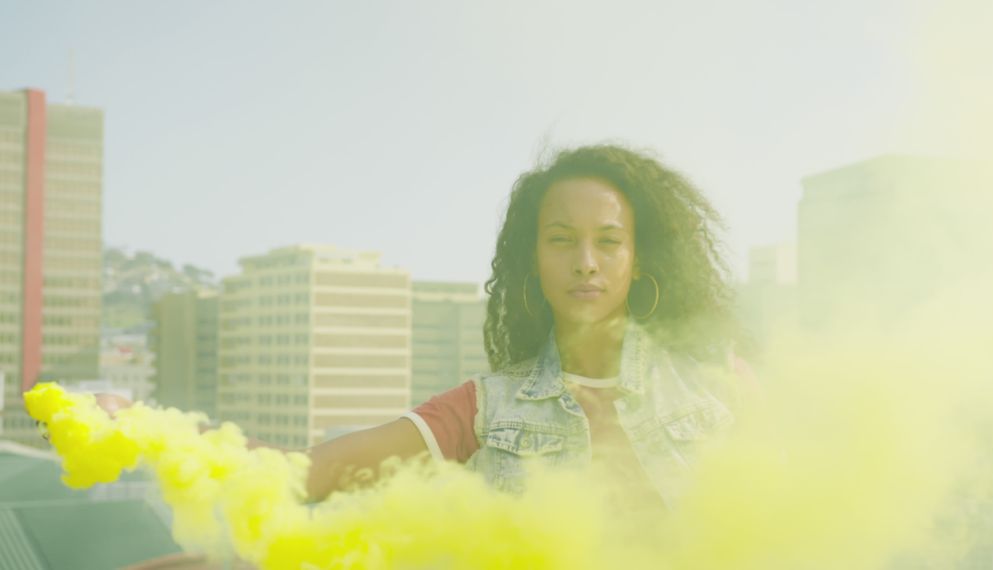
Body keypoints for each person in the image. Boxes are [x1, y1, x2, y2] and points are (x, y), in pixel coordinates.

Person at [94, 144, 757, 510]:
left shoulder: (716, 383)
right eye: (561, 240)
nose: (586, 262)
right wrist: (147, 430)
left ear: (641, 259)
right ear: (532, 259)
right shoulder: (483, 410)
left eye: (609, 241)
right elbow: (307, 473)